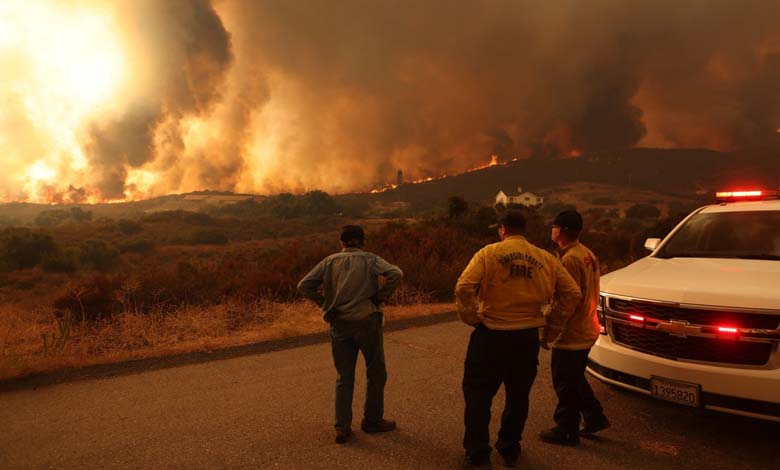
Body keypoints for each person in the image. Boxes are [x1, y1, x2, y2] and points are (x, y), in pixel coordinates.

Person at [455, 209, 582, 469]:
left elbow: (463, 286)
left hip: (491, 336)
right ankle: (509, 448)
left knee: (478, 396)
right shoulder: (546, 258)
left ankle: (478, 454)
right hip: (525, 339)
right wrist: (551, 327)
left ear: (502, 229)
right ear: (524, 229)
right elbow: (572, 293)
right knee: (518, 396)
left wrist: (471, 317)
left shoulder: (488, 253)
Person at [297, 225, 403, 444]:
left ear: (342, 242)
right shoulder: (370, 259)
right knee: (376, 372)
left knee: (344, 377)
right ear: (362, 241)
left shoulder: (329, 261)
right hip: (366, 323)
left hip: (339, 325)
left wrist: (325, 304)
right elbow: (396, 273)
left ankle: (342, 427)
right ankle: (372, 421)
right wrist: (380, 297)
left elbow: (304, 286)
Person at [539, 210, 610, 446]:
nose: (552, 231)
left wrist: (549, 332)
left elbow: (566, 300)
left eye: (554, 227)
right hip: (587, 327)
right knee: (575, 378)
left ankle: (566, 429)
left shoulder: (570, 259)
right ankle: (594, 417)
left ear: (560, 231)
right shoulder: (587, 253)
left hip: (573, 333)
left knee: (565, 382)